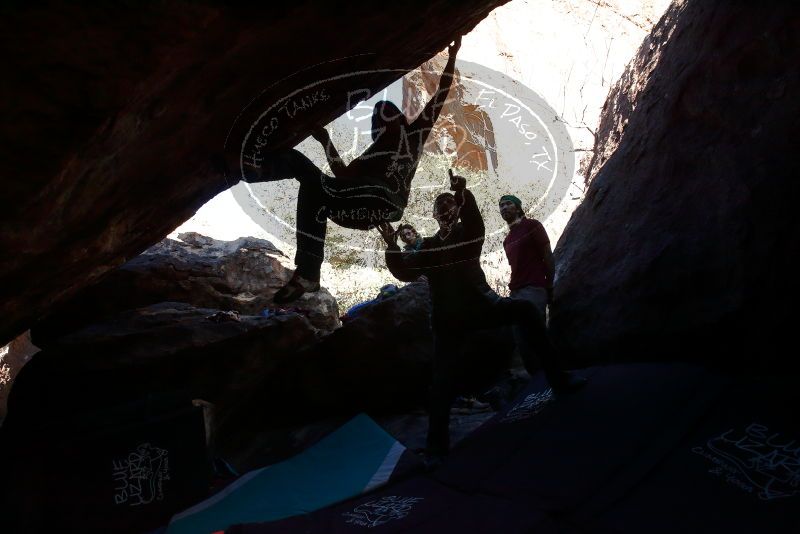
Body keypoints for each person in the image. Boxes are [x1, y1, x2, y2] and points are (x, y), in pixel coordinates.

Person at [377, 170, 586, 463]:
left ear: (456, 210)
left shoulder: (466, 234)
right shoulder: (431, 247)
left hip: (481, 305)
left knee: (525, 310)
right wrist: (390, 245)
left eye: (451, 205)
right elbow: (404, 271)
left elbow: (476, 224)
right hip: (449, 319)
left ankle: (558, 379)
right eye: (441, 208)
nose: (446, 209)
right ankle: (437, 449)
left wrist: (464, 195)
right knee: (441, 381)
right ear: (435, 216)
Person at [239, 38, 462, 304]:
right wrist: (326, 142)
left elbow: (439, 97)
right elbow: (342, 176)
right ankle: (308, 270)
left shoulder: (413, 136)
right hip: (358, 210)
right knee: (309, 181)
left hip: (385, 199)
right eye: (379, 118)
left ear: (400, 120)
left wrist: (452, 57)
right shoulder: (371, 154)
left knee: (319, 185)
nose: (383, 119)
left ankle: (308, 267)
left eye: (387, 114)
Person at [499, 194, 553, 316]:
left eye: (508, 203)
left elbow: (547, 255)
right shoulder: (507, 240)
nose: (504, 207)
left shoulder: (532, 225)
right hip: (515, 293)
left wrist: (549, 286)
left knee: (533, 331)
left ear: (518, 208)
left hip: (534, 289)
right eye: (501, 205)